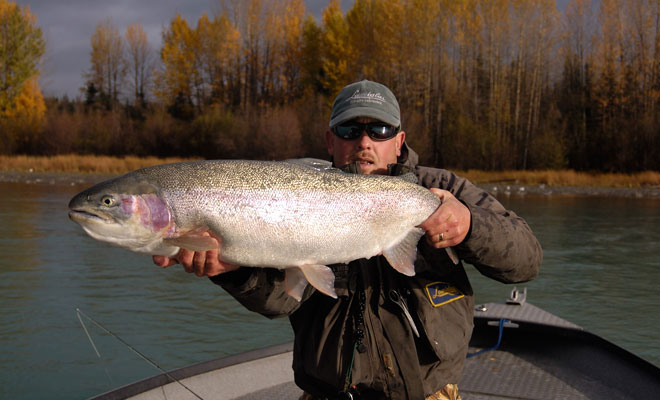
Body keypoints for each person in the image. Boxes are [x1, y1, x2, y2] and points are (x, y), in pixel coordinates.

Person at [153, 80, 542, 400]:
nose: (365, 141)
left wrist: (470, 225)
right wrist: (232, 272)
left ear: (399, 139)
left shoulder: (441, 190)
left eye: (380, 129)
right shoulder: (293, 197)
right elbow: (283, 300)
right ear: (330, 140)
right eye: (350, 130)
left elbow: (526, 260)